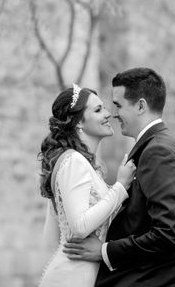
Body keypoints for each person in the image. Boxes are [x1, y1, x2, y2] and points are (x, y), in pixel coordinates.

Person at [63, 68, 175, 287]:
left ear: (140, 106)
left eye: (118, 105)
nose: (113, 113)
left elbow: (166, 235)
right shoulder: (161, 144)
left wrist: (104, 251)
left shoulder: (159, 152)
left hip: (157, 280)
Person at [38, 84, 137, 287]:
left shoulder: (80, 163)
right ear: (78, 123)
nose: (109, 113)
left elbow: (51, 236)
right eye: (98, 110)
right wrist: (120, 187)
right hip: (71, 278)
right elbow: (79, 227)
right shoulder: (74, 161)